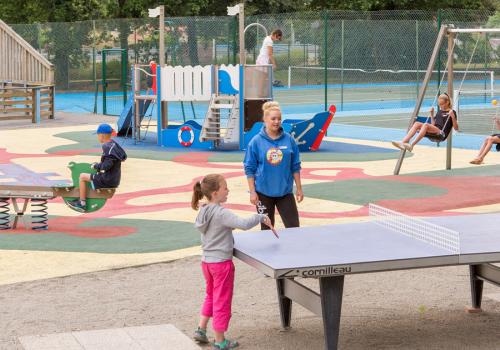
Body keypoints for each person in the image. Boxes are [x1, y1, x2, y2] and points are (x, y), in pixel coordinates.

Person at [191, 174, 273, 350]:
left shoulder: (204, 210)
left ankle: (201, 329)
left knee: (211, 295)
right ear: (215, 193)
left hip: (206, 262)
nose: (228, 190)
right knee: (222, 300)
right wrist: (260, 216)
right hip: (221, 264)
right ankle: (220, 340)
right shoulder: (221, 213)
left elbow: (221, 226)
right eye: (225, 187)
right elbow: (243, 224)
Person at [244, 101, 303, 230]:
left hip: (285, 192)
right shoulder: (256, 142)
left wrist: (299, 188)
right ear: (265, 119)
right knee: (266, 230)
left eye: (279, 119)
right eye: (273, 119)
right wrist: (252, 192)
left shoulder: (289, 140)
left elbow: (295, 166)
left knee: (294, 228)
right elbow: (249, 168)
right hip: (263, 194)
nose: (276, 122)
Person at [67, 124, 127, 212]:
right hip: (114, 178)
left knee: (82, 176)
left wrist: (96, 166)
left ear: (102, 135)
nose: (98, 137)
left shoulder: (107, 146)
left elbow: (106, 166)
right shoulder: (113, 144)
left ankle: (82, 203)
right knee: (92, 174)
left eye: (98, 135)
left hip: (108, 179)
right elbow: (123, 157)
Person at [392, 93, 458, 153]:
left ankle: (412, 145)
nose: (441, 106)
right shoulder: (439, 112)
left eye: (442, 104)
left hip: (441, 134)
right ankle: (403, 142)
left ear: (447, 102)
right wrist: (432, 115)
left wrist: (453, 117)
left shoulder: (452, 112)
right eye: (439, 105)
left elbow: (456, 128)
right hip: (435, 131)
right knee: (417, 123)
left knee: (425, 125)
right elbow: (433, 125)